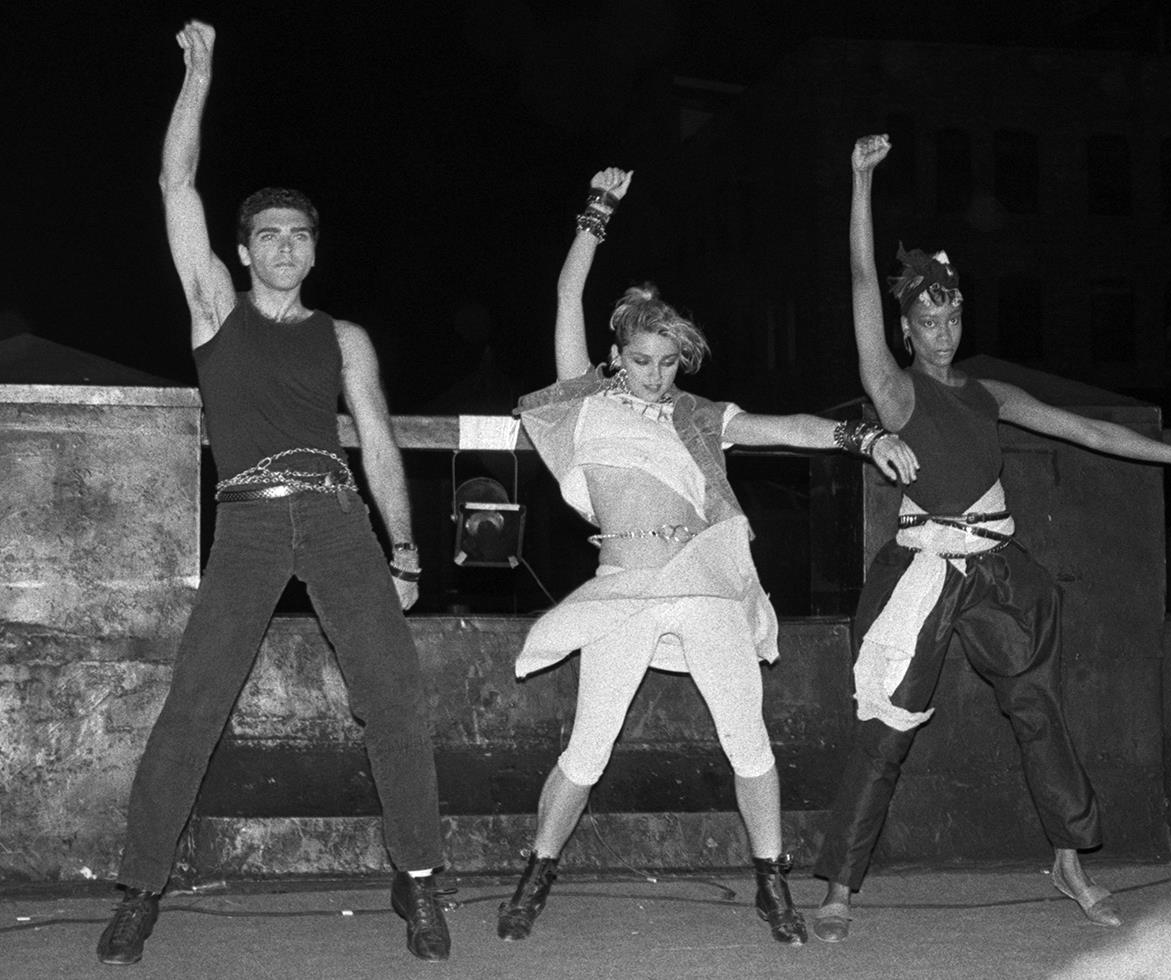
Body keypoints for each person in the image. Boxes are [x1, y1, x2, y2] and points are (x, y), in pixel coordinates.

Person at [810, 132, 1171, 944]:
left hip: (1001, 575)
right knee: (888, 728)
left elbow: (1091, 431)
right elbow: (863, 281)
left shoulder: (988, 393)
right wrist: (861, 182)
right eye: (928, 320)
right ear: (907, 331)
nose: (942, 331)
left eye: (953, 314)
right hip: (925, 569)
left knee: (1040, 712)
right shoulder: (895, 391)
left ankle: (1070, 860)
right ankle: (840, 883)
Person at [95, 21, 450, 965]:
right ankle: (139, 888)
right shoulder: (216, 312)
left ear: (312, 250)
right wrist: (199, 78)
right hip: (250, 523)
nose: (285, 247)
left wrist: (405, 550)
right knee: (196, 703)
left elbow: (375, 440)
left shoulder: (344, 338)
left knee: (396, 699)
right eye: (268, 236)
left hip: (338, 521)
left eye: (299, 235)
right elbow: (176, 186)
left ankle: (417, 880)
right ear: (245, 252)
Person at [499, 167, 920, 948]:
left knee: (746, 737)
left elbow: (784, 426)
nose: (656, 374)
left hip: (703, 584)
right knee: (587, 748)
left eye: (668, 361)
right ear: (616, 354)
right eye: (642, 359)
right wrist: (596, 212)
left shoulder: (696, 417)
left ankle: (772, 884)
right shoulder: (580, 406)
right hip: (622, 586)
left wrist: (866, 436)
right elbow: (566, 296)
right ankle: (535, 877)